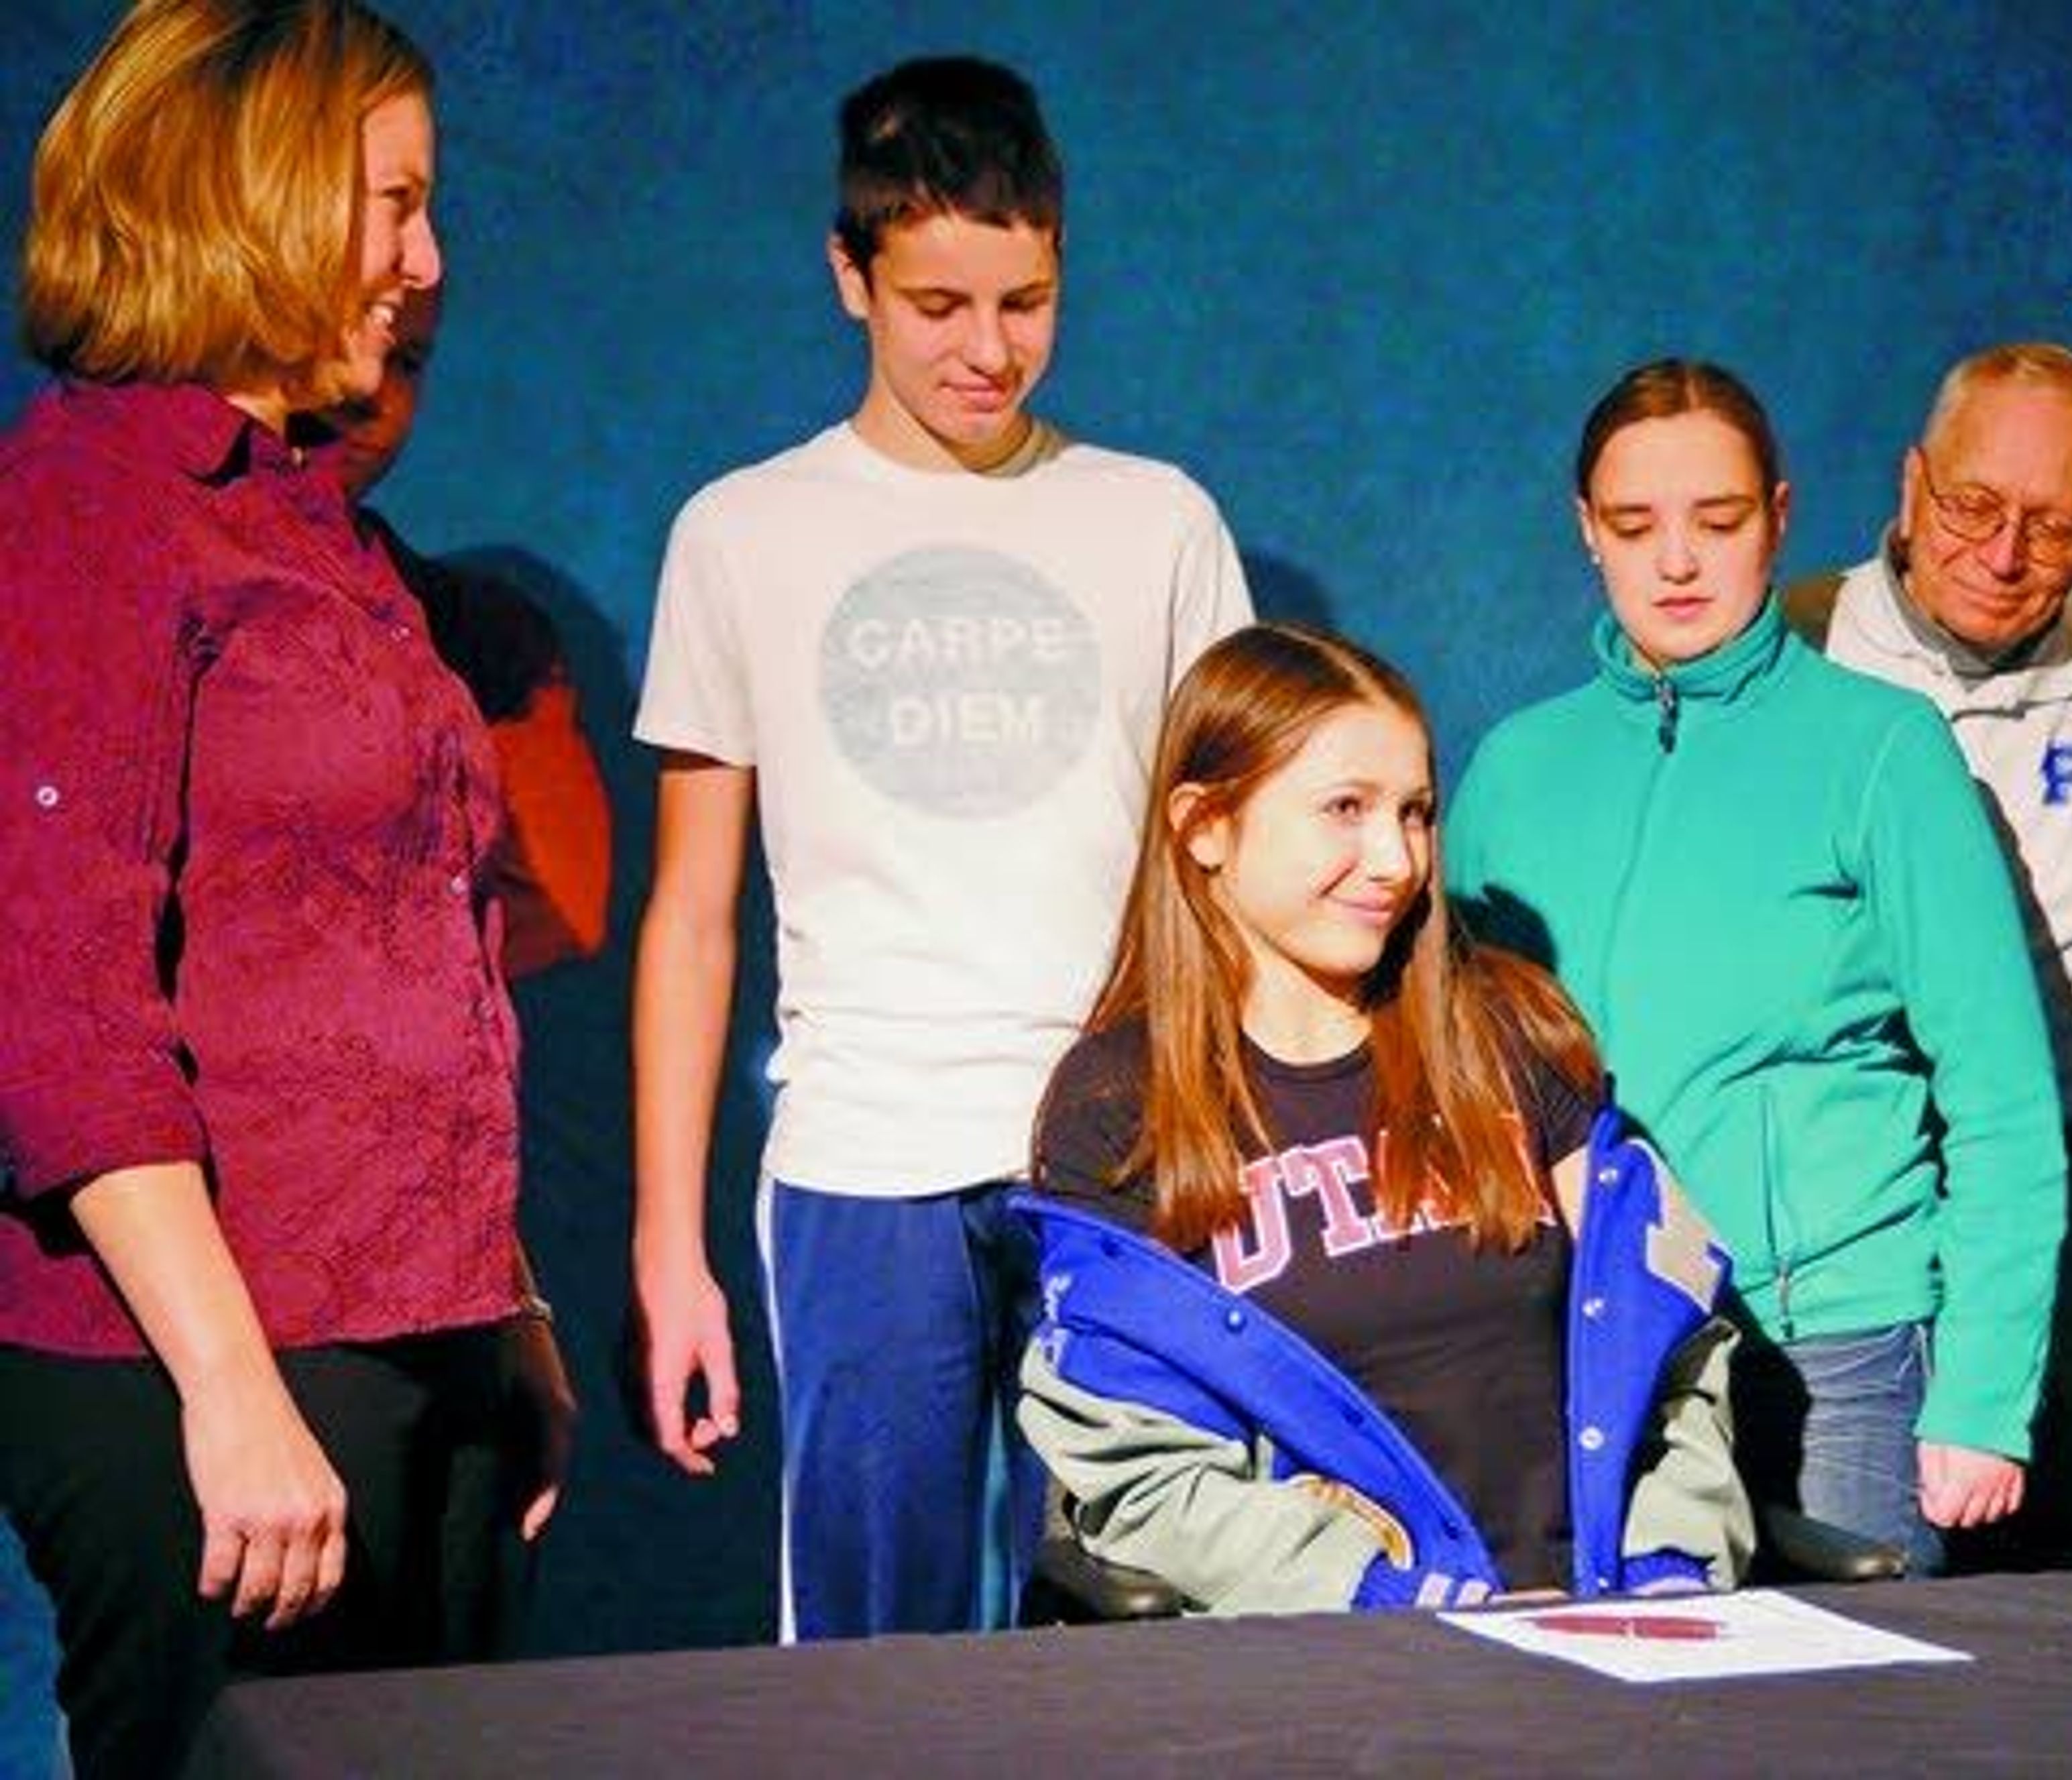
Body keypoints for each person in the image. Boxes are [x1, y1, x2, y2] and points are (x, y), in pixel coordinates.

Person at [0, 6, 572, 1775]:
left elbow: (429, 960)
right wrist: (229, 1391)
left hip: (426, 1331)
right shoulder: (88, 512)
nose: (428, 263)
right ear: (244, 196)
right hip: (219, 1357)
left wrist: (516, 1302)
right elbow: (55, 996)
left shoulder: (323, 533)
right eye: (391, 205)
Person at [630, 55, 1252, 1640]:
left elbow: (1229, 872)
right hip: (861, 1167)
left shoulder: (1157, 519)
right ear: (849, 277)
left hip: (1114, 1154)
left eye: (1026, 301)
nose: (989, 351)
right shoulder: (741, 532)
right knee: (870, 1649)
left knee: (1138, 1621)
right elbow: (692, 916)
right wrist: (666, 1245)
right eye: (939, 305)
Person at [1444, 357, 2066, 1578]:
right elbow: (1451, 1065)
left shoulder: (1883, 751)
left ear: (1779, 517)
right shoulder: (1517, 768)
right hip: (1603, 1344)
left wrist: (1984, 1392)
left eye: (1717, 521)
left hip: (1835, 1346)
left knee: (1850, 1725)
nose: (1677, 560)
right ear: (1587, 532)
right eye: (1635, 525)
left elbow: (2001, 1096)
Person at [1019, 622, 1755, 1612]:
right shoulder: (1115, 1105)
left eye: (1415, 812)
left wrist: (1669, 1568)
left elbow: (1673, 1343)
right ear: (1204, 826)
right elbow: (1147, 1475)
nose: (1395, 860)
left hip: (1602, 1624)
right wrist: (1378, 1596)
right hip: (1339, 1663)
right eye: (1345, 809)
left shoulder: (1511, 1030)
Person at [1790, 343, 2072, 1569]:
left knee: (2063, 1563)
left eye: (2052, 522)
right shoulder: (1796, 648)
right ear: (1911, 481)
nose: (2001, 551)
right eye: (1972, 505)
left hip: (2062, 1178)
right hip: (1850, 1176)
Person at [331, 286, 612, 980]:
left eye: (407, 360)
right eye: (328, 343)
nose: (369, 387)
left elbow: (562, 907)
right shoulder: (130, 576)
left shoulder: (484, 635)